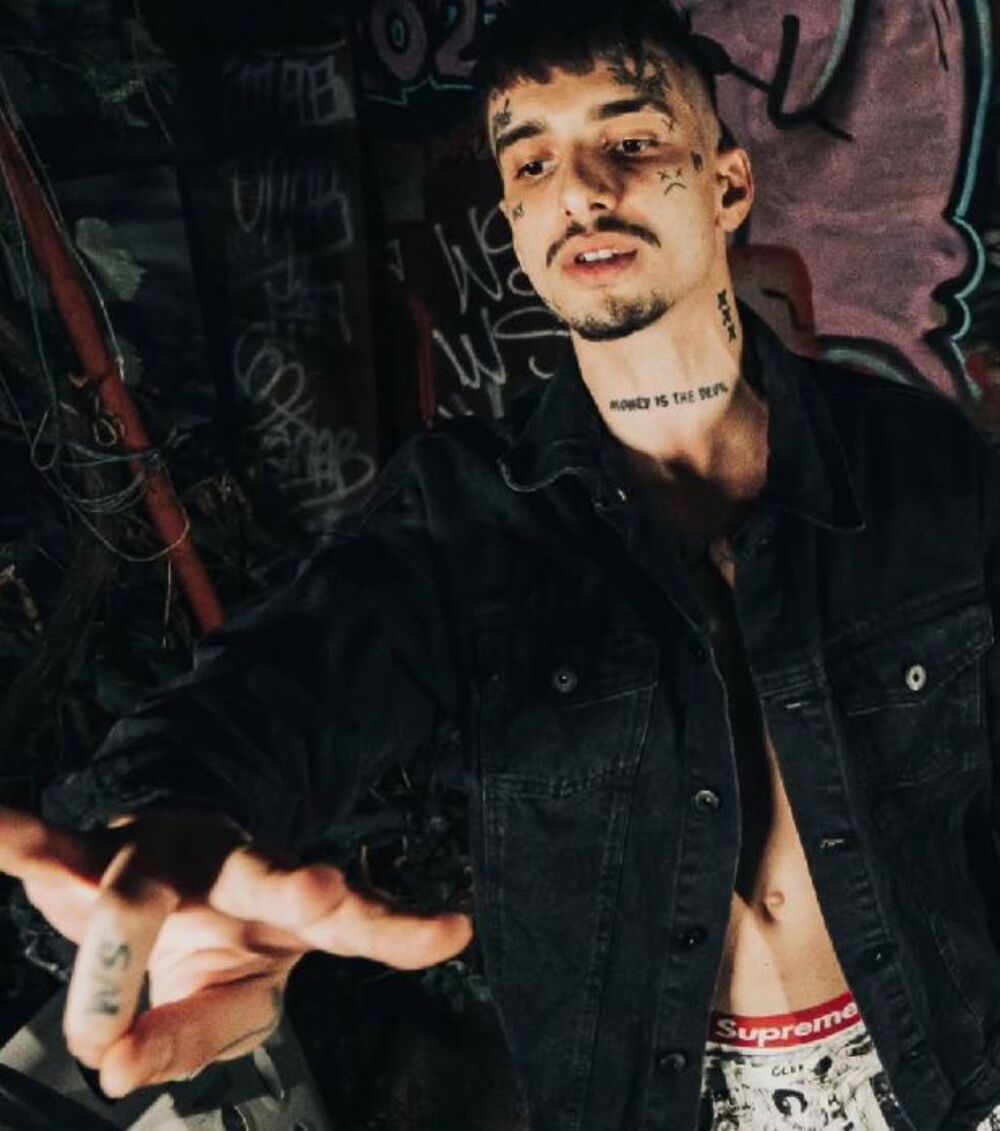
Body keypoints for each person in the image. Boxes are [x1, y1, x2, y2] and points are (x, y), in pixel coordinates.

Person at [2, 2, 999, 1128]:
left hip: (953, 1075)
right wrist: (164, 817)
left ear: (726, 185)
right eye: (532, 162)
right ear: (514, 218)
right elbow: (292, 676)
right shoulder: (464, 517)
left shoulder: (919, 470)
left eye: (630, 141)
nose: (579, 190)